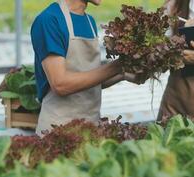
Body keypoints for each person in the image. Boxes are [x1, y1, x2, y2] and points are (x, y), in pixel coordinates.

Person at [31, 0, 138, 135]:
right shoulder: (49, 20)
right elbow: (60, 84)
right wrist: (117, 66)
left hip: (91, 127)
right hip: (59, 131)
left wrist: (124, 73)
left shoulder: (89, 22)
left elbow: (90, 80)